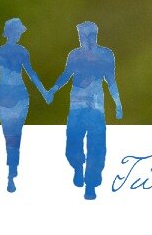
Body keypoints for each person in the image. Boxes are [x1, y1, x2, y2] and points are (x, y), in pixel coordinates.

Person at [45, 22, 122, 200]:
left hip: (95, 106)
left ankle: (91, 183)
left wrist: (117, 103)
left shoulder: (106, 55)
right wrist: (53, 90)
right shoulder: (75, 55)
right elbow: (66, 74)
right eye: (80, 35)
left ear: (91, 35)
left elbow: (111, 81)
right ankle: (78, 167)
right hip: (77, 104)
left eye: (83, 35)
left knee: (97, 145)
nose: (81, 38)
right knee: (73, 142)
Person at [0, 18, 51, 191]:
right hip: (10, 96)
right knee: (11, 134)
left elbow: (30, 73)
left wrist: (44, 92)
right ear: (11, 33)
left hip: (14, 96)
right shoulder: (5, 52)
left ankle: (12, 170)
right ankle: (11, 169)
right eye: (18, 32)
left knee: (13, 134)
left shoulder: (17, 52)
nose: (19, 35)